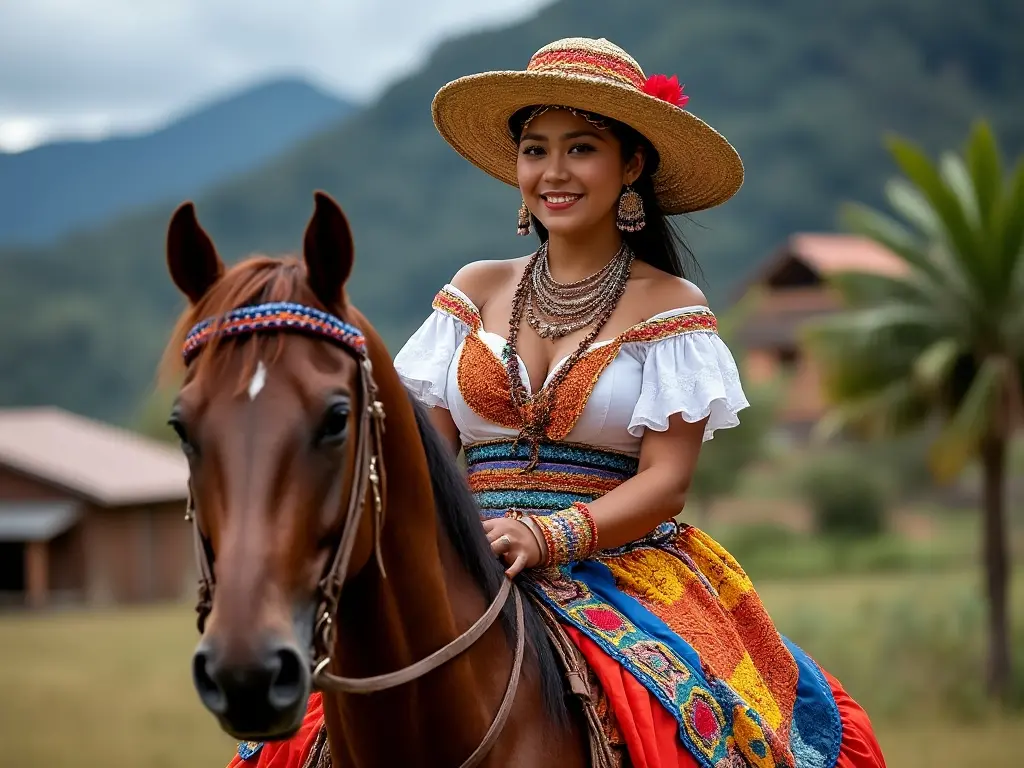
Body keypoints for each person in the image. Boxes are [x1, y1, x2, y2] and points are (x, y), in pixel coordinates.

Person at [230, 36, 886, 768]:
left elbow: (666, 483)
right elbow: (426, 456)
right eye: (535, 149)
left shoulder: (672, 304)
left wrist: (549, 537)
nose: (553, 172)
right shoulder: (472, 289)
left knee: (711, 731)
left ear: (631, 165)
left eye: (581, 148)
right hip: (468, 557)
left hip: (618, 560)